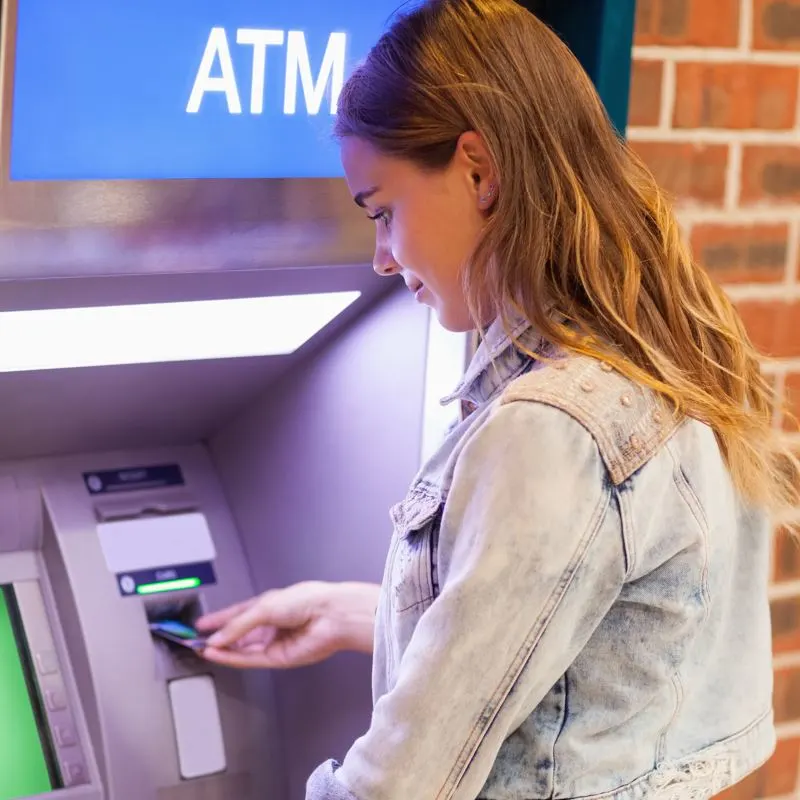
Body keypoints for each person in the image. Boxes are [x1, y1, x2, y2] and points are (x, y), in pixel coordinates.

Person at [196, 1, 799, 797]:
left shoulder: (553, 427)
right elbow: (597, 651)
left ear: (479, 171)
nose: (380, 256)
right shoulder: (683, 355)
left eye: (383, 211)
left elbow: (399, 786)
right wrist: (358, 614)